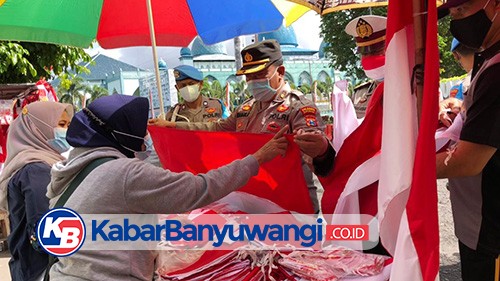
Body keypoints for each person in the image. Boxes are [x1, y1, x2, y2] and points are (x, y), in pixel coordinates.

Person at [46, 94, 288, 280]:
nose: (145, 141)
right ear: (122, 133)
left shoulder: (72, 168)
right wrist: (255, 160)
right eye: (141, 134)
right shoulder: (124, 172)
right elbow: (199, 188)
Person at [149, 39, 334, 213]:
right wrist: (172, 126)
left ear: (281, 71)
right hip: (252, 204)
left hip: (291, 209)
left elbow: (320, 156)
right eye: (249, 77)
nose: (253, 82)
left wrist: (321, 150)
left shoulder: (298, 107)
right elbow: (216, 130)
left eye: (260, 75)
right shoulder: (247, 108)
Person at [437, 0, 500, 280]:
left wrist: (403, 170)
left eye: (462, 10)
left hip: (491, 230)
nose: (456, 20)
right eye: (452, 13)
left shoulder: (497, 70)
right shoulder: (487, 57)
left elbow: (468, 161)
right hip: (476, 223)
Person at [0, 101, 73, 281]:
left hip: (28, 267)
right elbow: (45, 231)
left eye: (69, 125)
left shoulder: (29, 164)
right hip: (41, 270)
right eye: (61, 125)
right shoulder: (36, 169)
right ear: (36, 128)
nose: (66, 131)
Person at [345, 15, 387, 118]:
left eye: (376, 51)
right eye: (365, 53)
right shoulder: (359, 94)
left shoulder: (413, 89)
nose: (369, 58)